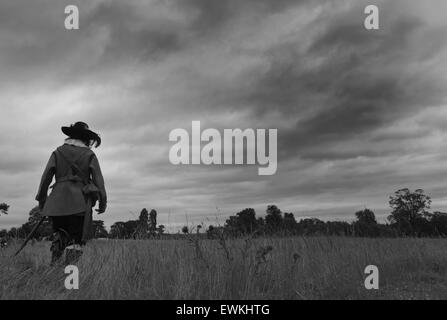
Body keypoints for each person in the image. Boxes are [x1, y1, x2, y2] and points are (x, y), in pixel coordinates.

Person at [35, 122, 107, 264]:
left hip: (56, 204)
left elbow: (45, 179)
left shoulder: (57, 152)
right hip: (79, 204)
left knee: (59, 238)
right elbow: (99, 182)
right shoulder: (89, 154)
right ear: (86, 138)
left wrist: (42, 201)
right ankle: (70, 283)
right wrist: (103, 202)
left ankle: (54, 274)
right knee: (75, 242)